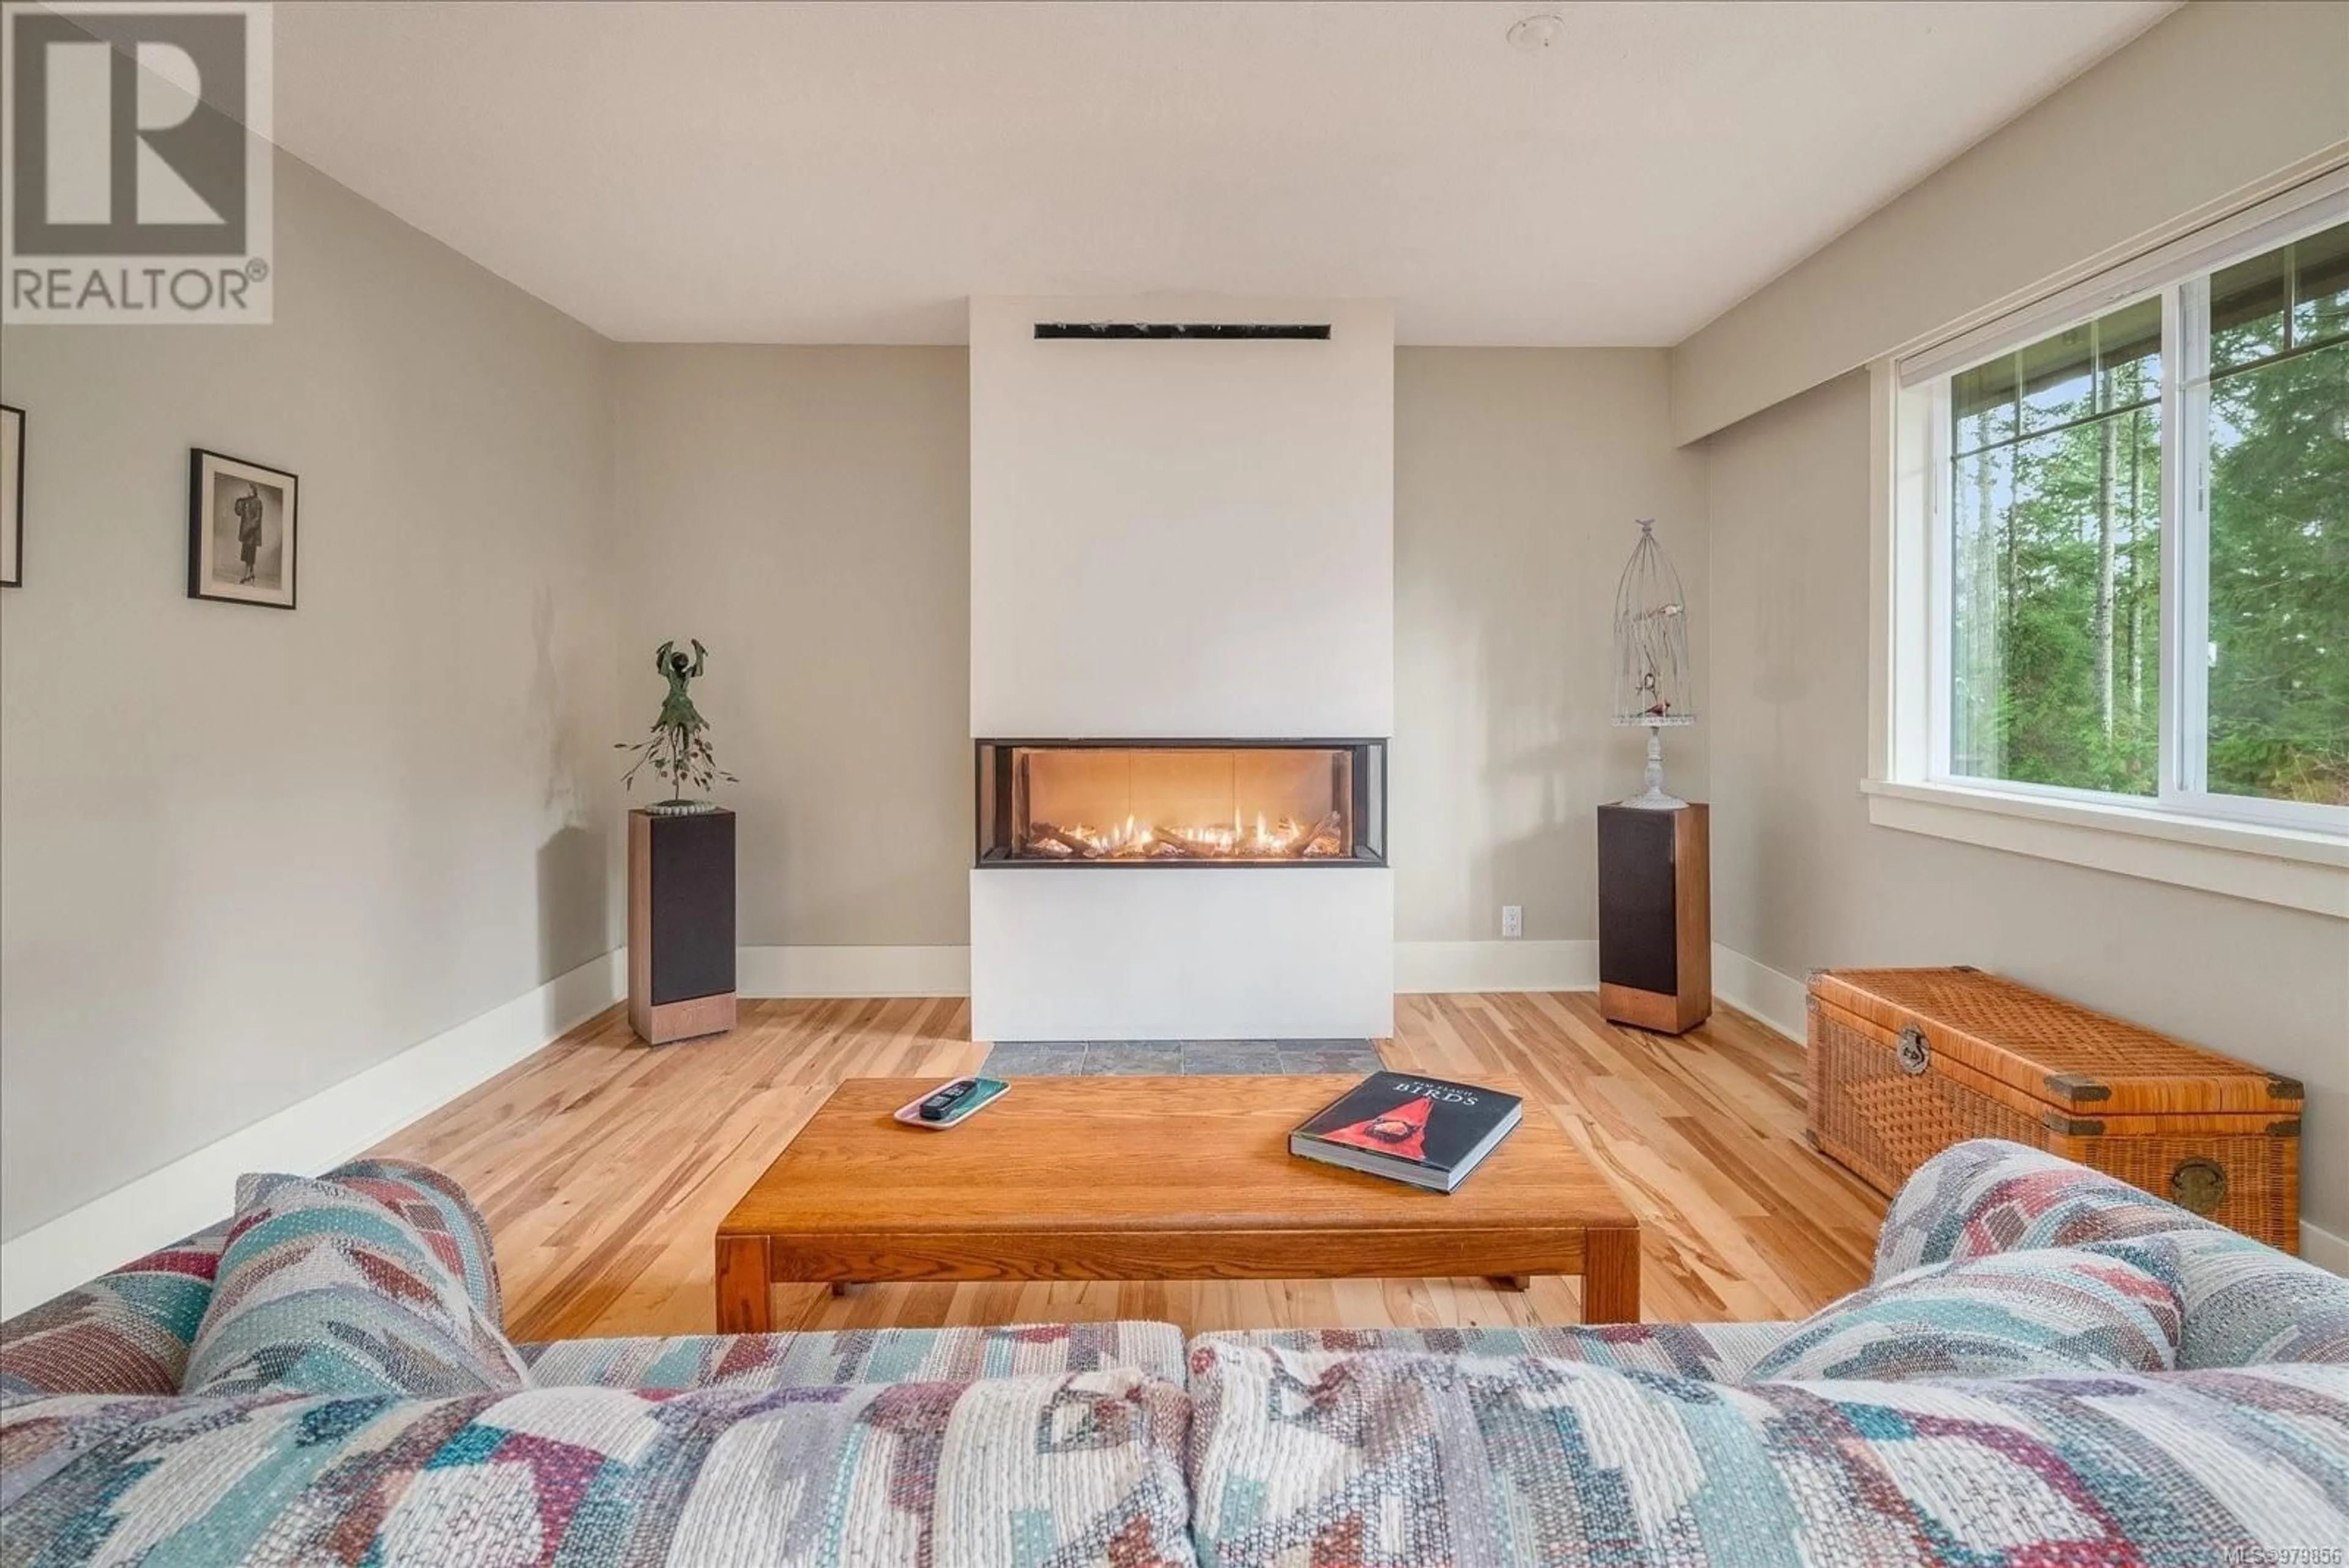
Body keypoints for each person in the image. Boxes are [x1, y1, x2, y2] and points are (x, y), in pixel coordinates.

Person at [233, 483, 265, 584]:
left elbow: (258, 518)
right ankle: (251, 574)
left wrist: (251, 528)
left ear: (254, 491)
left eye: (250, 490)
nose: (248, 491)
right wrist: (239, 502)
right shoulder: (246, 501)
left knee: (250, 554)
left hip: (252, 532)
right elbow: (239, 513)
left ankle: (246, 575)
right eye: (248, 490)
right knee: (247, 553)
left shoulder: (258, 502)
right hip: (246, 531)